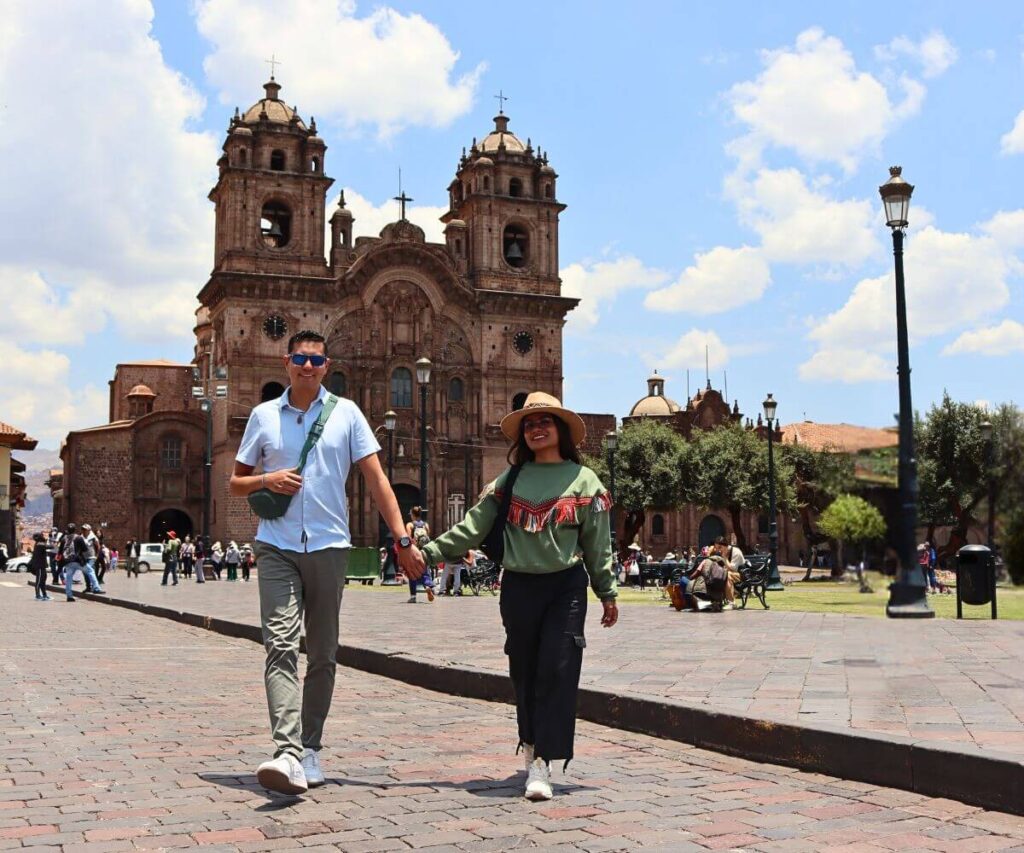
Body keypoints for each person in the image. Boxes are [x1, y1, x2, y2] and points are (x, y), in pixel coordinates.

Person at [230, 329, 426, 796]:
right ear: (286, 362)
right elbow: (235, 483)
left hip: (328, 546)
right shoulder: (262, 416)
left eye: (316, 361)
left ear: (326, 365)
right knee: (279, 644)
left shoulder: (347, 414)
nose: (307, 366)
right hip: (275, 543)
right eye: (300, 358)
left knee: (322, 653)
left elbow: (378, 480)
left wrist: (402, 538)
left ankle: (310, 745)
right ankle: (287, 751)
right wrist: (267, 479)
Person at [420, 392, 618, 801]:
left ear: (561, 430)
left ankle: (545, 761)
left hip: (566, 587)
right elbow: (471, 529)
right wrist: (427, 553)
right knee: (524, 671)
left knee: (557, 669)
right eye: (529, 424)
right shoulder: (507, 483)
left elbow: (599, 545)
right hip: (519, 588)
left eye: (544, 421)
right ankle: (531, 752)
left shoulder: (586, 482)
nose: (536, 429)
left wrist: (607, 592)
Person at [62, 523, 104, 601]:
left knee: (69, 578)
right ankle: (96, 588)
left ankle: (69, 596)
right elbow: (85, 549)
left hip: (68, 561)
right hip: (78, 561)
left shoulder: (64, 539)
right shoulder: (78, 538)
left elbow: (61, 551)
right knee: (91, 571)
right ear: (75, 530)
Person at [405, 506, 435, 603]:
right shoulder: (426, 525)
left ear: (412, 515)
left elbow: (408, 539)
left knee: (412, 573)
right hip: (424, 551)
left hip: (414, 551)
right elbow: (428, 537)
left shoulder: (410, 525)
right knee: (424, 571)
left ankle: (413, 596)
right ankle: (427, 586)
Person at [29, 533, 50, 601]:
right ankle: (37, 595)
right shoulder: (40, 544)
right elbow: (50, 546)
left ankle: (44, 594)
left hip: (42, 566)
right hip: (40, 566)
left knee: (43, 580)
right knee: (39, 581)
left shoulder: (38, 544)